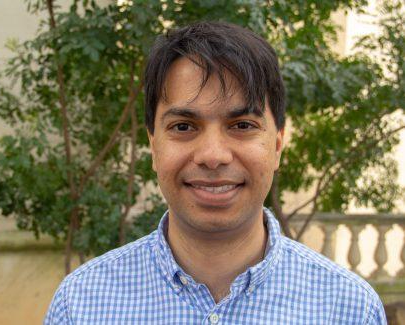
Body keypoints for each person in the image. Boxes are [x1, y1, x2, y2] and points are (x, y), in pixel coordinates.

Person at [45, 21, 386, 324]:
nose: (212, 156)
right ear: (153, 145)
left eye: (241, 124)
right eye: (183, 126)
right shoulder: (82, 304)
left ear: (278, 145)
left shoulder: (349, 309)